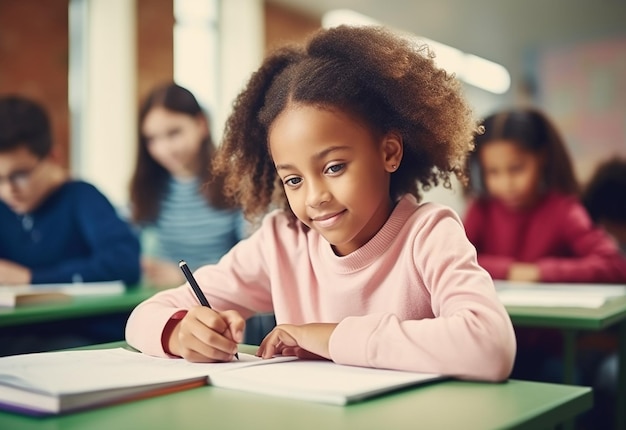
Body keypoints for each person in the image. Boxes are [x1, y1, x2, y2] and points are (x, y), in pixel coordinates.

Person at [126, 25, 516, 381]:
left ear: (389, 151)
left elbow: (490, 344)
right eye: (293, 179)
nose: (315, 197)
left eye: (334, 167)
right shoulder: (282, 243)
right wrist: (179, 332)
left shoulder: (428, 234)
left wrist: (329, 338)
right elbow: (142, 318)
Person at [0, 95, 141, 355]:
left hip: (82, 336)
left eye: (19, 174)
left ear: (54, 156)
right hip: (14, 333)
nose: (9, 190)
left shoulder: (81, 198)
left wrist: (30, 279)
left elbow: (124, 263)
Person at [463, 107, 626, 284]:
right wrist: (510, 270)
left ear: (542, 157)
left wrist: (540, 272)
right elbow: (455, 259)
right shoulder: (481, 208)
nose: (506, 183)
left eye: (516, 169)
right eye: (493, 172)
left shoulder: (565, 210)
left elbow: (615, 265)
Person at [129, 82, 247, 289]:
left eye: (174, 133)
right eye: (151, 139)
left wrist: (185, 277)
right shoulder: (147, 187)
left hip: (223, 303)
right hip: (163, 303)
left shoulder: (237, 182)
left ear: (201, 124)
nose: (163, 149)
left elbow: (252, 265)